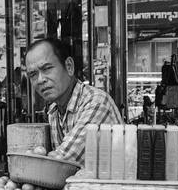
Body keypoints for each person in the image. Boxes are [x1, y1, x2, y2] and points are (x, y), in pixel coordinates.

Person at [23, 37, 123, 168]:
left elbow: (62, 163)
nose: (40, 79)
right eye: (33, 75)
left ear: (69, 66)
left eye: (47, 69)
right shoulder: (54, 111)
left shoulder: (96, 103)